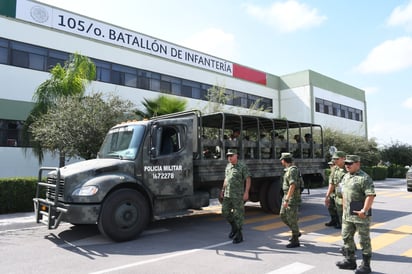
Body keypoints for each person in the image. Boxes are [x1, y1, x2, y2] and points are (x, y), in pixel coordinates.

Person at [336, 155, 376, 274]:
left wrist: (364, 210)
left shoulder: (364, 178)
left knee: (364, 240)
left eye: (350, 163)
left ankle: (366, 265)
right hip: (348, 214)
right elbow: (343, 193)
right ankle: (350, 261)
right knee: (346, 237)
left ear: (358, 164)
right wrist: (344, 209)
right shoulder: (346, 177)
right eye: (346, 163)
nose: (347, 165)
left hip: (360, 214)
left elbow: (370, 195)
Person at [220, 149, 251, 244]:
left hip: (238, 195)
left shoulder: (242, 166)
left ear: (236, 155)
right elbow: (226, 179)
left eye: (231, 155)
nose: (229, 157)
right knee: (225, 212)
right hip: (228, 194)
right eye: (228, 156)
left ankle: (239, 235)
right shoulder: (228, 166)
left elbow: (248, 179)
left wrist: (246, 192)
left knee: (238, 215)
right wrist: (222, 190)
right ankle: (234, 227)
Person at [279, 152, 302, 248]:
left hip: (292, 198)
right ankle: (296, 231)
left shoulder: (292, 170)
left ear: (284, 160)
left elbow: (292, 185)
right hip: (287, 196)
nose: (281, 161)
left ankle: (295, 239)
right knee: (283, 215)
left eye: (281, 160)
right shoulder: (288, 169)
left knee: (291, 218)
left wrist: (287, 199)